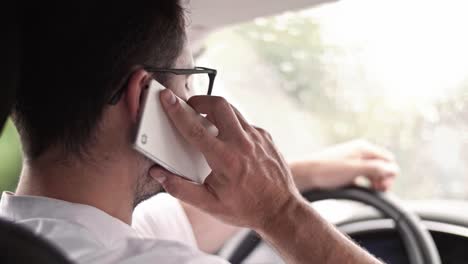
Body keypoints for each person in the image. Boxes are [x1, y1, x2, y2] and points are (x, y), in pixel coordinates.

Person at [0, 1, 398, 263]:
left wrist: (300, 176)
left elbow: (175, 222)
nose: (192, 99)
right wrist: (282, 211)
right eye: (188, 82)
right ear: (144, 95)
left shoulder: (20, 236)